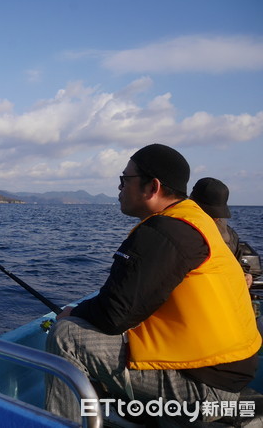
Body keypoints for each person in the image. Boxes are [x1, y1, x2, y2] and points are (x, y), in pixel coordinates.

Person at [45, 144, 261, 425]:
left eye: (125, 180)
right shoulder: (193, 222)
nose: (119, 187)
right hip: (227, 375)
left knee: (66, 336)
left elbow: (113, 314)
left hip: (206, 390)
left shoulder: (164, 231)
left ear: (152, 187)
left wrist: (73, 312)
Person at [190, 177, 253, 287]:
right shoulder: (180, 231)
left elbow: (237, 263)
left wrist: (246, 275)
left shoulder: (231, 236)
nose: (215, 218)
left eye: (216, 214)